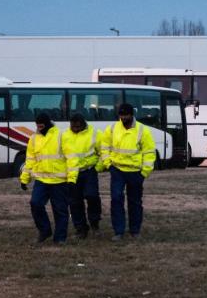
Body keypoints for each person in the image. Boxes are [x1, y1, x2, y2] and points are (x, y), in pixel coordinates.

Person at [100, 103, 156, 241]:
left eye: (125, 115)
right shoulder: (112, 128)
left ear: (132, 115)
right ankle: (118, 231)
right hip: (117, 170)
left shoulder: (143, 131)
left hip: (135, 172)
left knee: (135, 202)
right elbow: (104, 147)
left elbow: (149, 152)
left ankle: (134, 230)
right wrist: (108, 164)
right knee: (116, 199)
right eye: (121, 115)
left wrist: (144, 172)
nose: (123, 117)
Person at [19, 113, 72, 245]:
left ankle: (60, 238)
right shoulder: (33, 138)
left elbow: (72, 158)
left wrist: (72, 178)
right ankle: (45, 230)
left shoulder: (61, 135)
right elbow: (30, 160)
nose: (39, 128)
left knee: (60, 210)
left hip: (59, 181)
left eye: (42, 125)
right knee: (35, 204)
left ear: (48, 123)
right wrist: (24, 178)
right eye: (37, 126)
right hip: (41, 180)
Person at [63, 113, 104, 239]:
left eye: (77, 127)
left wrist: (98, 167)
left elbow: (103, 152)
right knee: (74, 202)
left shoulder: (95, 134)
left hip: (89, 171)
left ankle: (94, 223)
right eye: (73, 127)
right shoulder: (65, 135)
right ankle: (80, 229)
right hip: (72, 173)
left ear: (83, 125)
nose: (75, 129)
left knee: (92, 196)